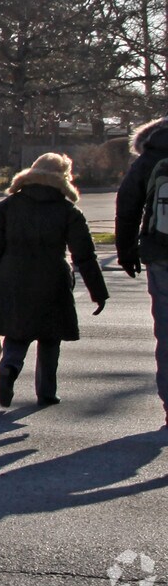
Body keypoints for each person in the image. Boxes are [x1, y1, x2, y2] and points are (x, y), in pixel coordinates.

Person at [0, 152, 108, 408]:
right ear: (62, 178)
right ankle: (47, 392)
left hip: (11, 278)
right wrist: (98, 292)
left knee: (17, 333)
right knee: (50, 337)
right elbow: (85, 256)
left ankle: (9, 368)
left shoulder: (7, 207)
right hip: (53, 279)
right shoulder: (68, 210)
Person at [114, 115, 168, 429]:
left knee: (166, 330)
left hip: (160, 252)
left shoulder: (149, 158)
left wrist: (126, 251)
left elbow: (127, 205)